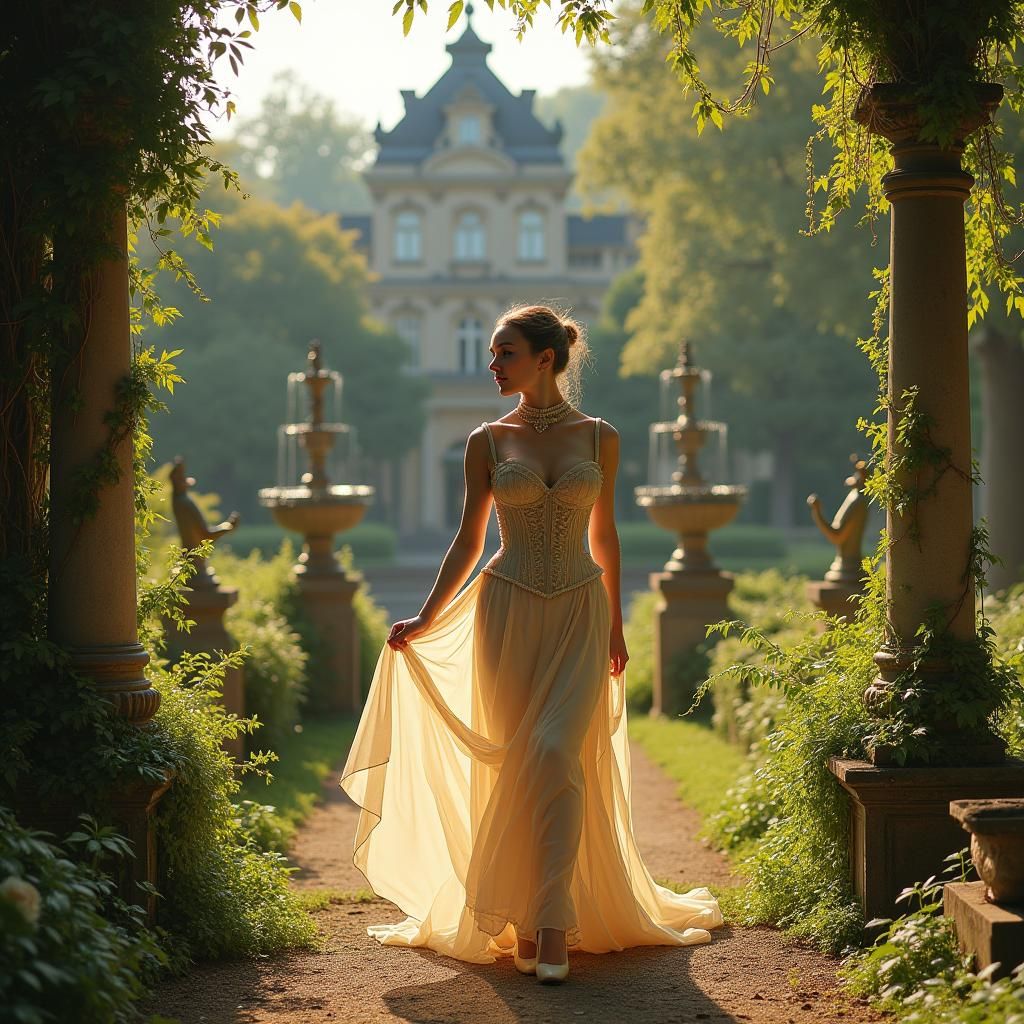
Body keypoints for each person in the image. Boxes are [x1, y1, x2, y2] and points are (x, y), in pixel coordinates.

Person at [339, 305, 722, 984]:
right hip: (506, 611)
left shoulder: (601, 437)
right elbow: (469, 539)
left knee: (555, 754)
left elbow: (606, 538)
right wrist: (427, 618)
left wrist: (615, 623)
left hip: (579, 608)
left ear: (545, 358)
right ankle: (518, 917)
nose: (491, 364)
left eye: (504, 352)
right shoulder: (485, 440)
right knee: (516, 763)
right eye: (491, 353)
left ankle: (551, 924)